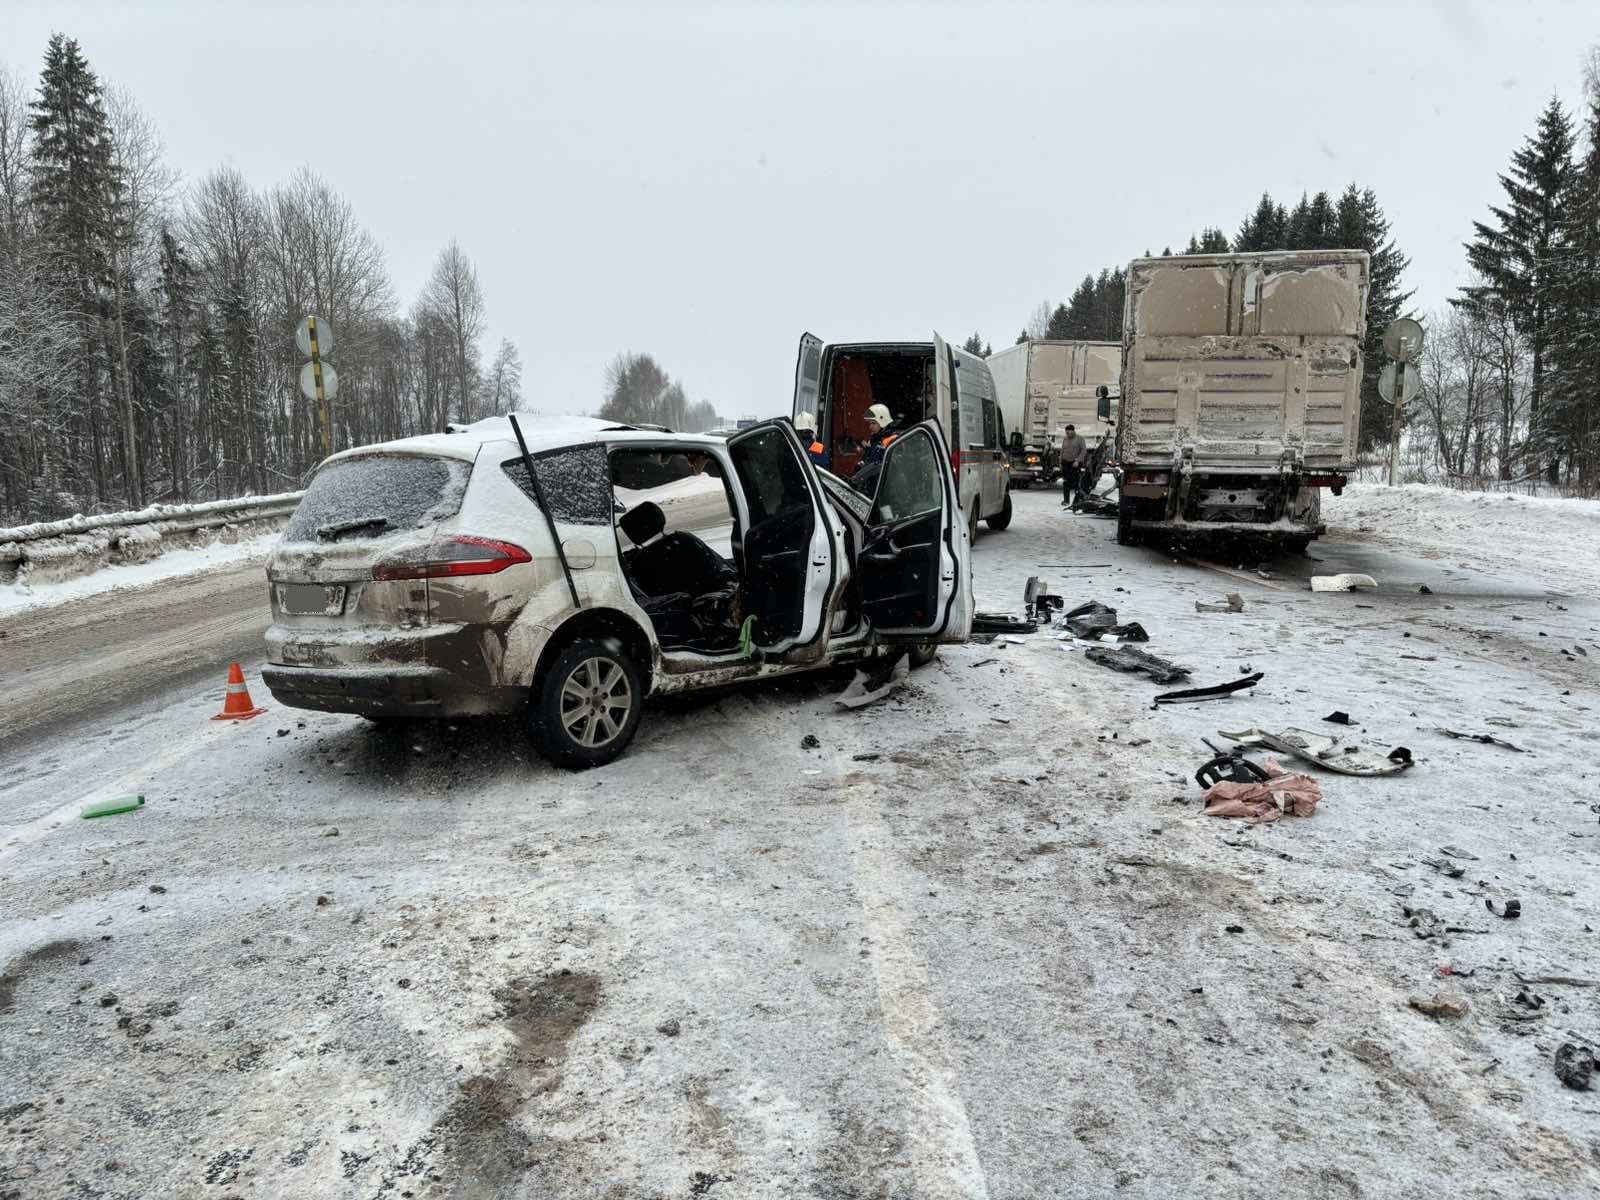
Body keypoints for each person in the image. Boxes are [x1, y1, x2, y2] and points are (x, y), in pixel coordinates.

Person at [1059, 423, 1088, 508]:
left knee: (1076, 483)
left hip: (1075, 463)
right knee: (1066, 482)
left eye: (1070, 432)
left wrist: (1078, 461)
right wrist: (1060, 462)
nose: (1068, 434)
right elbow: (1062, 451)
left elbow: (1083, 451)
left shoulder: (1080, 439)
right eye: (1067, 433)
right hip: (1065, 463)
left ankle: (1079, 499)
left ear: (1073, 431)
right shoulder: (1065, 439)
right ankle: (1066, 500)